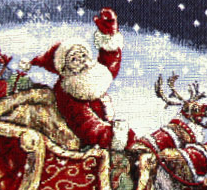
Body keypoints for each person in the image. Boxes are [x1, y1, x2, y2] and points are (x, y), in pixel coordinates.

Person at [21, 8, 134, 150]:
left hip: (104, 129)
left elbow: (109, 65)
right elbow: (84, 123)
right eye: (74, 59)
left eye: (83, 55)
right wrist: (110, 136)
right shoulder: (69, 89)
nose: (81, 60)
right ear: (65, 68)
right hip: (88, 142)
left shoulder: (91, 74)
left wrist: (108, 35)